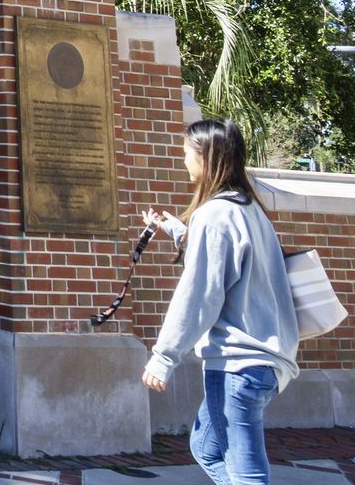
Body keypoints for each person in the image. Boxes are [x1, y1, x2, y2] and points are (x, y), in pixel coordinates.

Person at [141, 119, 300, 485]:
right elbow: (228, 259)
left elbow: (200, 293)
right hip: (266, 363)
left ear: (206, 157)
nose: (183, 161)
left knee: (247, 476)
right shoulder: (249, 209)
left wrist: (164, 357)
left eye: (186, 153)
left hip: (237, 366)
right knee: (207, 448)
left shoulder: (214, 215)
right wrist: (179, 231)